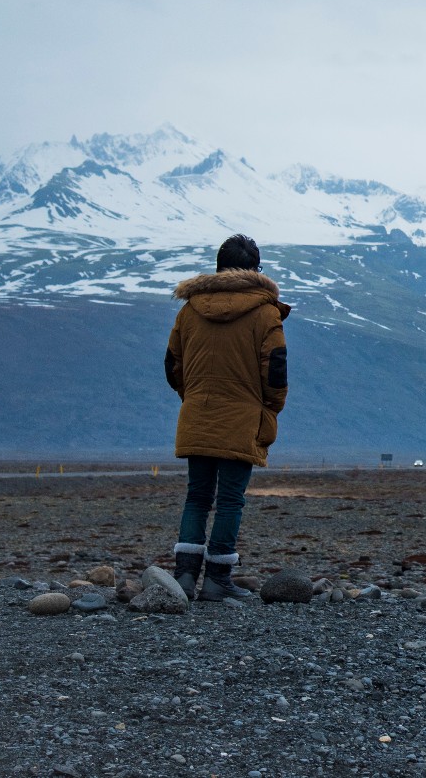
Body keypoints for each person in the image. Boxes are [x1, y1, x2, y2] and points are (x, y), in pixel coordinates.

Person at [165, 233, 290, 603]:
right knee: (231, 499)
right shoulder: (266, 313)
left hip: (197, 415)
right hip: (243, 418)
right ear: (255, 270)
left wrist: (194, 397)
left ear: (220, 267)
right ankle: (218, 580)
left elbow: (173, 364)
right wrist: (268, 408)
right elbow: (276, 372)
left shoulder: (189, 310)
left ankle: (184, 579)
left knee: (197, 496)